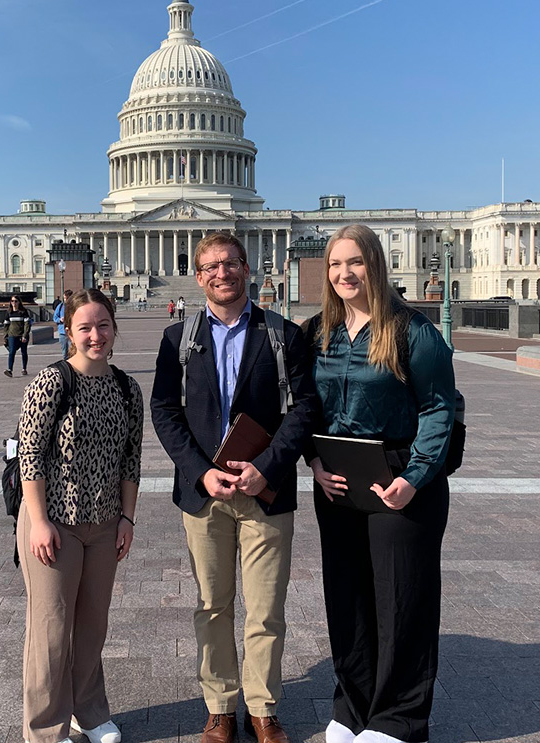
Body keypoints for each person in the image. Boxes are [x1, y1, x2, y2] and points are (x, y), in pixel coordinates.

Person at [150, 233, 316, 743]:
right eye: (211, 267)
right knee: (212, 604)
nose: (222, 273)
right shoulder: (178, 339)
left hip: (266, 491)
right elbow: (164, 411)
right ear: (198, 277)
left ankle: (262, 708)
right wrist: (200, 471)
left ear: (248, 269)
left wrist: (267, 466)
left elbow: (304, 408)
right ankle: (220, 707)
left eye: (231, 263)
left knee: (266, 608)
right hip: (206, 494)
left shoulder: (284, 334)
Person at [303, 224, 456, 743]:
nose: (345, 274)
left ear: (376, 264)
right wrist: (312, 462)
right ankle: (353, 706)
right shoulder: (316, 333)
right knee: (347, 599)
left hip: (400, 474)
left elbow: (439, 410)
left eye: (356, 262)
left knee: (401, 599)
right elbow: (303, 408)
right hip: (337, 477)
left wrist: (414, 477)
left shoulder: (413, 332)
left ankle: (399, 719)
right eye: (335, 264)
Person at [17, 288, 143, 743]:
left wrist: (127, 520)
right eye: (85, 327)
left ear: (114, 328)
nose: (95, 335)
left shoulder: (128, 389)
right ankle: (45, 729)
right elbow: (29, 452)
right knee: (51, 631)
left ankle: (88, 713)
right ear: (68, 331)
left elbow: (132, 459)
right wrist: (38, 521)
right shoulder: (52, 382)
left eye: (103, 325)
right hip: (53, 522)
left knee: (92, 627)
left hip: (105, 523)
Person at [4, 295, 33, 377]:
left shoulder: (23, 312)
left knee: (24, 352)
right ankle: (9, 370)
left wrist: (25, 335)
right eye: (12, 301)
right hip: (12, 335)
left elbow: (27, 324)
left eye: (16, 301)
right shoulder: (9, 312)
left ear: (19, 302)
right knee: (12, 352)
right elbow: (6, 325)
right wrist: (5, 337)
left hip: (22, 335)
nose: (14, 303)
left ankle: (24, 368)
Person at [53, 289, 73, 359]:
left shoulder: (74, 306)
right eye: (64, 298)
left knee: (72, 351)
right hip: (63, 332)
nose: (65, 300)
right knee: (64, 352)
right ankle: (66, 365)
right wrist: (60, 320)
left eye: (67, 298)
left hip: (72, 332)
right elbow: (55, 317)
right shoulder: (60, 306)